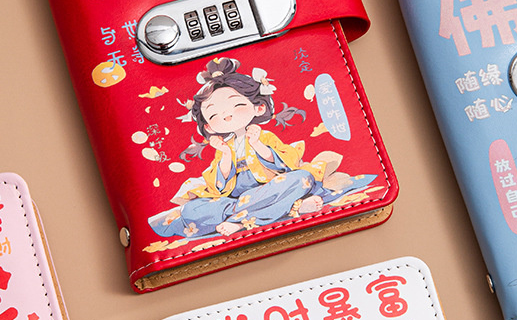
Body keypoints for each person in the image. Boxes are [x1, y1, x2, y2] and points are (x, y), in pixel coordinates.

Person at [149, 57, 374, 239]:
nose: (226, 115)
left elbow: (286, 165)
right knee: (191, 210)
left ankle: (242, 220)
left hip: (270, 188)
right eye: (214, 113)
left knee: (301, 178)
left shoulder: (263, 135)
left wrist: (257, 144)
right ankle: (288, 208)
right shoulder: (223, 147)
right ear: (208, 125)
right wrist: (226, 154)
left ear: (257, 108)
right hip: (236, 198)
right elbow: (219, 187)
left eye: (236, 105)